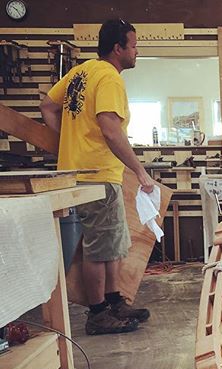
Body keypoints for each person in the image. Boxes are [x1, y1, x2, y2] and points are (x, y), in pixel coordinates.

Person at [40, 19, 154, 335]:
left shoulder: (81, 72)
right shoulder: (109, 79)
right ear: (118, 49)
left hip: (79, 171)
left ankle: (115, 301)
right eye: (133, 45)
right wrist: (139, 170)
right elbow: (110, 128)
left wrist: (67, 142)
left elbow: (47, 105)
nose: (136, 51)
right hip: (97, 174)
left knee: (112, 242)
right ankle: (98, 313)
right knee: (99, 247)